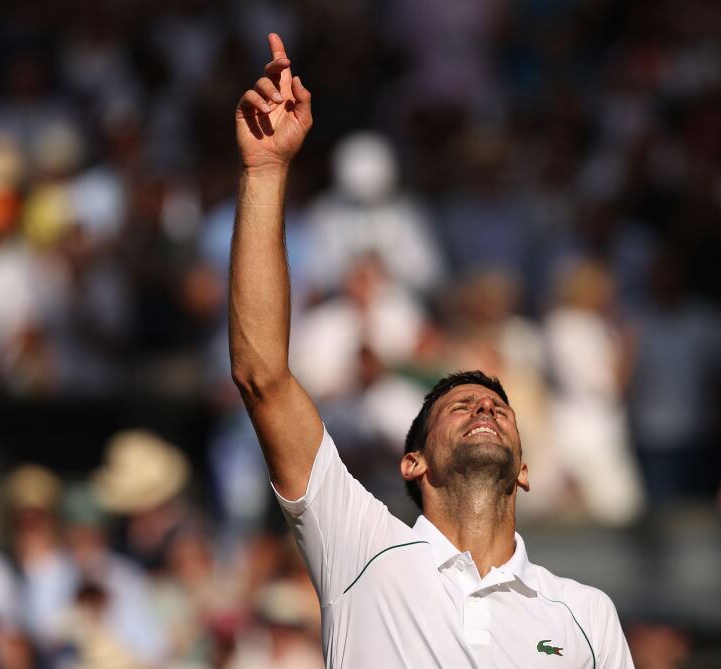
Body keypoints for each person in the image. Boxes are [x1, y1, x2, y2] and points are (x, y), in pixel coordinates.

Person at [230, 33, 634, 668]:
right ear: (412, 463)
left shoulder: (587, 615)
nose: (484, 407)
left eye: (498, 407)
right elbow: (262, 376)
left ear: (525, 470)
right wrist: (265, 173)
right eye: (459, 406)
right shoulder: (358, 548)